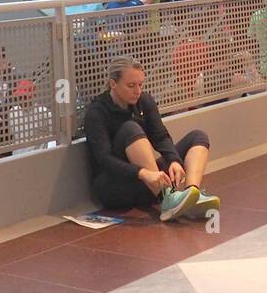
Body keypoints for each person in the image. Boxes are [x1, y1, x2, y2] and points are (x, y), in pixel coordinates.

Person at [84, 57, 219, 220]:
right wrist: (143, 173)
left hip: (150, 182)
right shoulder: (97, 112)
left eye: (141, 85)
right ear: (113, 84)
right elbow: (104, 159)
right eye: (131, 86)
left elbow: (160, 136)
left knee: (198, 136)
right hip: (117, 186)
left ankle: (191, 195)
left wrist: (174, 160)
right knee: (130, 128)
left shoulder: (144, 101)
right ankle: (167, 199)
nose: (138, 91)